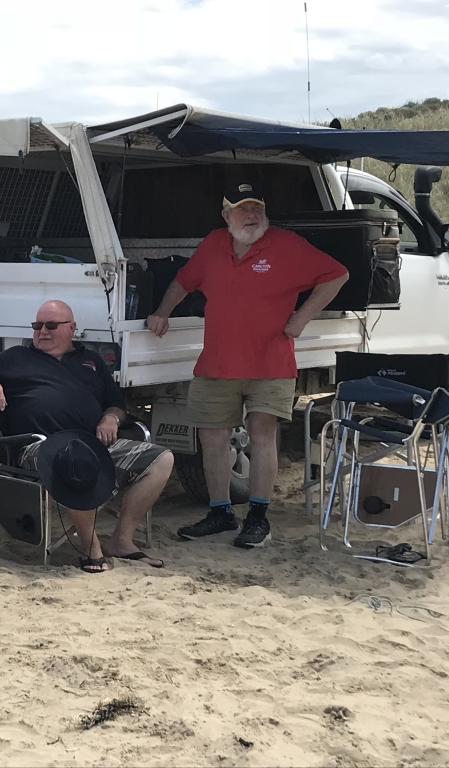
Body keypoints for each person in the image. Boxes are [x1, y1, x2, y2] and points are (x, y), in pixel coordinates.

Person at [146, 182, 349, 548]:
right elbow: (184, 280)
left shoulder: (286, 245)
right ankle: (220, 513)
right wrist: (162, 312)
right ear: (227, 216)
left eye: (257, 208)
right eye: (243, 209)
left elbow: (337, 275)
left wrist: (301, 318)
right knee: (212, 439)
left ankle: (258, 518)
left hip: (270, 363)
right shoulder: (213, 244)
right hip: (216, 364)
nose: (252, 215)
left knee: (261, 434)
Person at [0, 300, 175, 574]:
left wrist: (111, 418)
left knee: (161, 459)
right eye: (37, 325)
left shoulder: (92, 362)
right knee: (75, 458)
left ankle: (121, 540)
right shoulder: (15, 357)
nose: (42, 331)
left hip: (92, 444)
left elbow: (116, 403)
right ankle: (90, 548)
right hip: (35, 447)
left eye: (51, 325)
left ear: (72, 328)